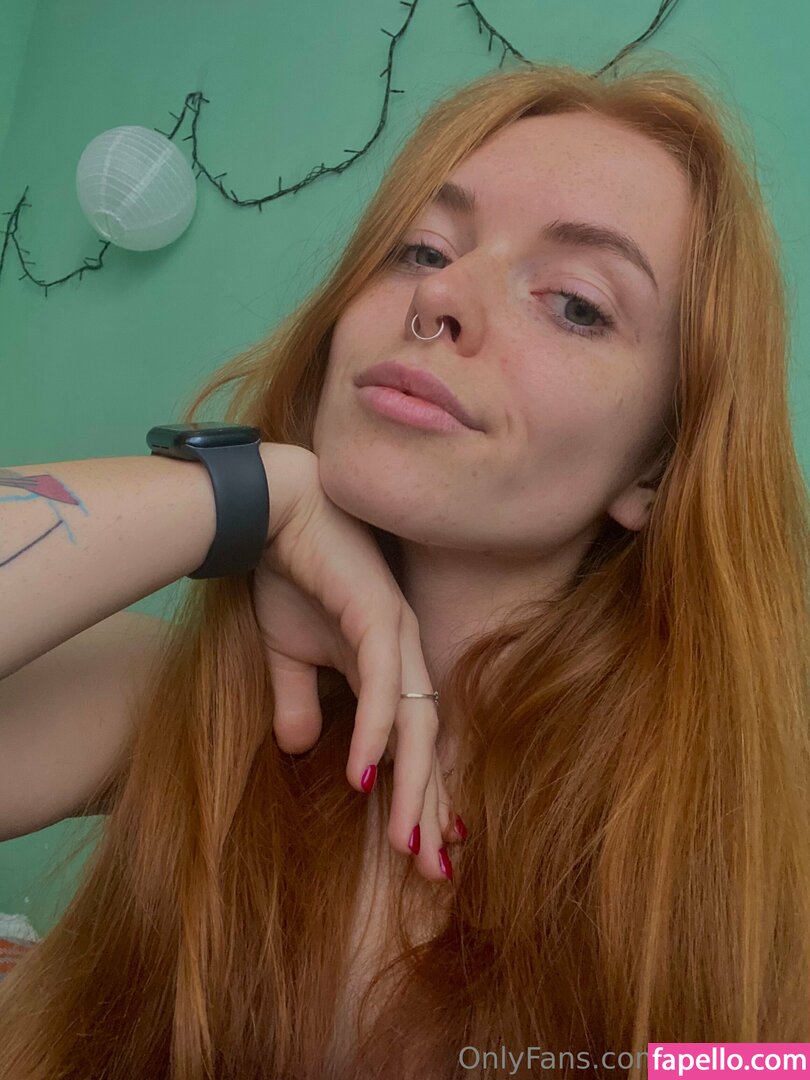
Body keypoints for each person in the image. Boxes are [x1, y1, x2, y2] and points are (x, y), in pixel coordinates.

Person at [1, 61, 808, 1079]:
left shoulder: (748, 867)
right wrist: (248, 496)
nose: (438, 294)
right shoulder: (195, 709)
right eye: (421, 248)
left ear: (655, 466)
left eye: (575, 304)